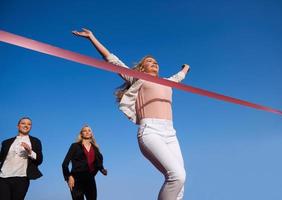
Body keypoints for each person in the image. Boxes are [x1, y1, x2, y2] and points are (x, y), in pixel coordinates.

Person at [73, 28, 190, 200]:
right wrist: (92, 37)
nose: (154, 63)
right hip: (151, 131)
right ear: (142, 67)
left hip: (170, 133)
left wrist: (186, 68)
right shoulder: (137, 78)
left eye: (156, 61)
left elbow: (179, 77)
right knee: (177, 176)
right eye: (150, 61)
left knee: (181, 182)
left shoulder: (167, 82)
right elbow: (112, 60)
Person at [0, 117, 43, 200]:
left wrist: (30, 152)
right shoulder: (6, 142)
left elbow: (39, 160)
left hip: (22, 178)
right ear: (18, 126)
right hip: (3, 177)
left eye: (29, 124)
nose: (26, 125)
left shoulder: (35, 141)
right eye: (23, 123)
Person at [62, 125, 107, 200]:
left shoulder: (95, 148)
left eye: (89, 130)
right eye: (84, 131)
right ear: (81, 134)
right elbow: (64, 164)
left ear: (91, 134)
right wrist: (68, 177)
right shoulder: (75, 146)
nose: (87, 132)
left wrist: (102, 170)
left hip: (90, 179)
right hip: (76, 179)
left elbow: (99, 163)